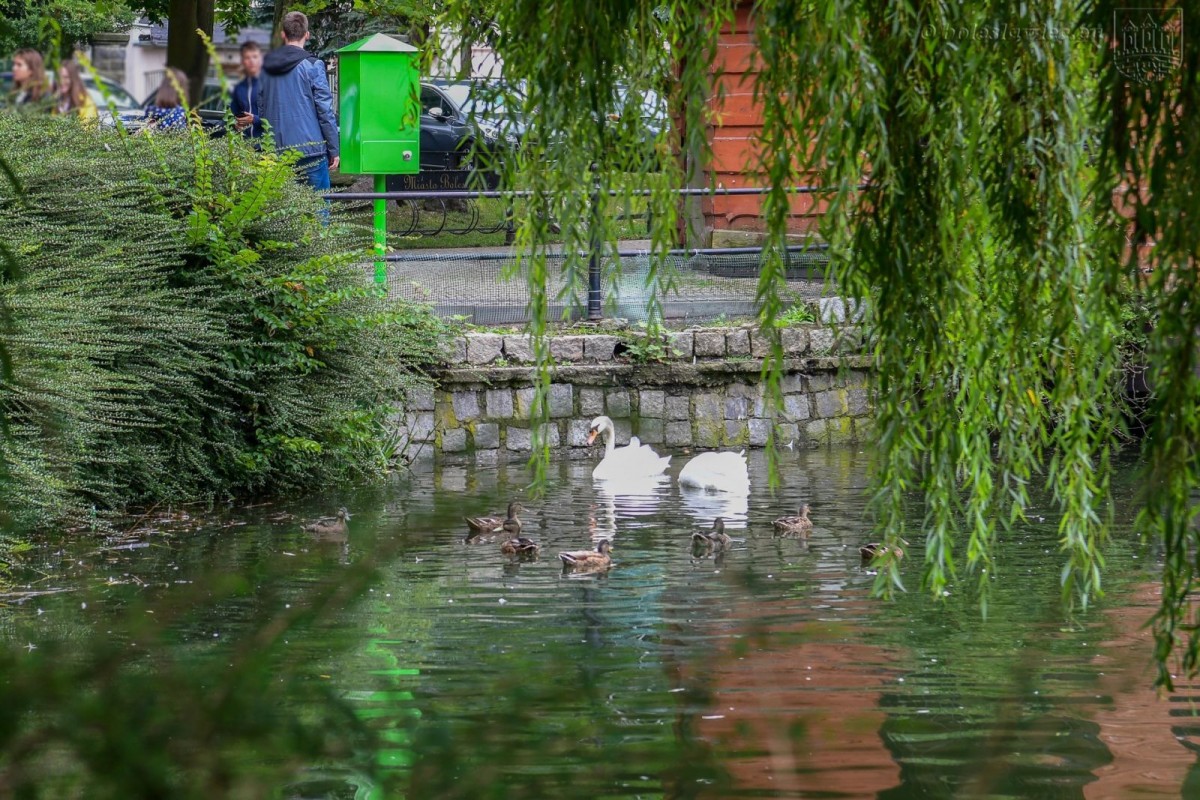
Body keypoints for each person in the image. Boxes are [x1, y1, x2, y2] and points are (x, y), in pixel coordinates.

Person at [260, 11, 339, 191]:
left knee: (282, 213)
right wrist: (334, 149)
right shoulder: (313, 65)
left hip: (276, 150)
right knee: (317, 211)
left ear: (283, 35)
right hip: (311, 150)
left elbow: (262, 108)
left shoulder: (266, 68)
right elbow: (325, 111)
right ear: (307, 35)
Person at [230, 40, 263, 138]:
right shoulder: (239, 88)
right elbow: (232, 114)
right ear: (242, 61)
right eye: (247, 58)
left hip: (267, 146)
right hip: (244, 147)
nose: (252, 61)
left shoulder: (271, 85)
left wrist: (255, 119)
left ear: (260, 59)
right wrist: (235, 125)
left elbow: (279, 116)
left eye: (255, 57)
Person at [53, 59, 98, 124]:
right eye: (59, 77)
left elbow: (88, 130)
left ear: (73, 79)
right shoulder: (56, 102)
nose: (61, 81)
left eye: (66, 77)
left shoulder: (85, 103)